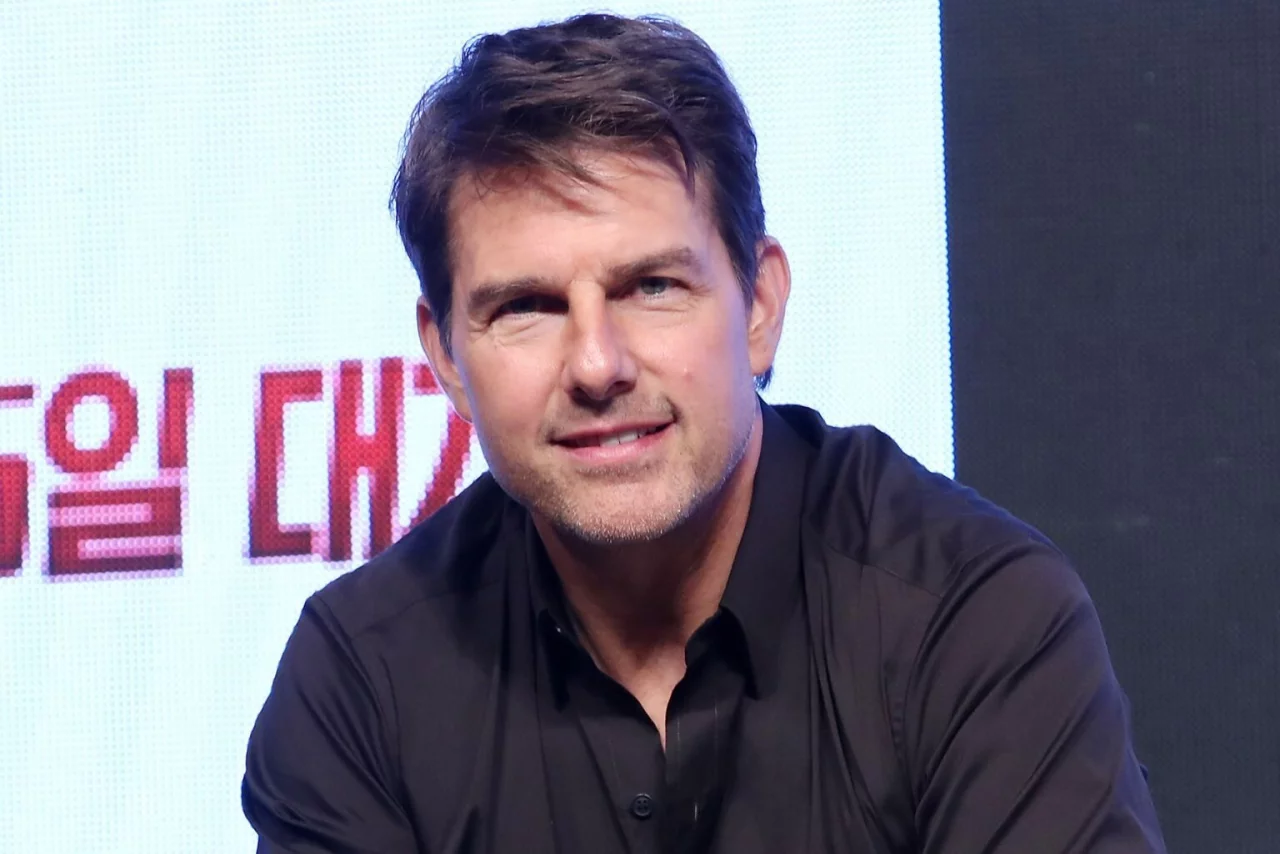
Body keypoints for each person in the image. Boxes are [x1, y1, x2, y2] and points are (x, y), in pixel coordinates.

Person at [242, 13, 1166, 853]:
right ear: (445, 353)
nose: (597, 364)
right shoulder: (361, 683)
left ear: (759, 306)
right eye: (527, 307)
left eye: (653, 287)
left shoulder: (970, 617)